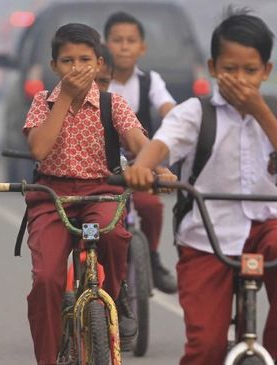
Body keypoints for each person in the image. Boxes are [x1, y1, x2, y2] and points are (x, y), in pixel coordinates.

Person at [123, 8, 277, 365]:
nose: (239, 79)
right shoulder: (197, 112)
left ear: (266, 71)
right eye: (229, 69)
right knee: (205, 348)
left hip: (267, 222)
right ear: (213, 68)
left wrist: (259, 111)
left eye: (250, 70)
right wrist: (141, 167)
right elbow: (163, 143)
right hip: (206, 234)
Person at [21, 23, 172, 365]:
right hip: (51, 198)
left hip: (99, 194)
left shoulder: (112, 104)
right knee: (46, 280)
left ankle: (116, 294)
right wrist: (63, 100)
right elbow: (40, 149)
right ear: (54, 67)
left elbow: (138, 143)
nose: (76, 68)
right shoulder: (42, 102)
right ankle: (46, 357)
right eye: (67, 61)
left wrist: (157, 168)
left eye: (84, 60)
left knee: (115, 237)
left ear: (100, 64)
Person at [104, 11, 178, 294]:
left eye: (131, 41)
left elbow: (168, 110)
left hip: (139, 166)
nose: (124, 46)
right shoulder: (100, 81)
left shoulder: (150, 82)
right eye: (117, 40)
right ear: (105, 44)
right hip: (105, 167)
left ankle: (152, 256)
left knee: (151, 207)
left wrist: (180, 122)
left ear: (141, 47)